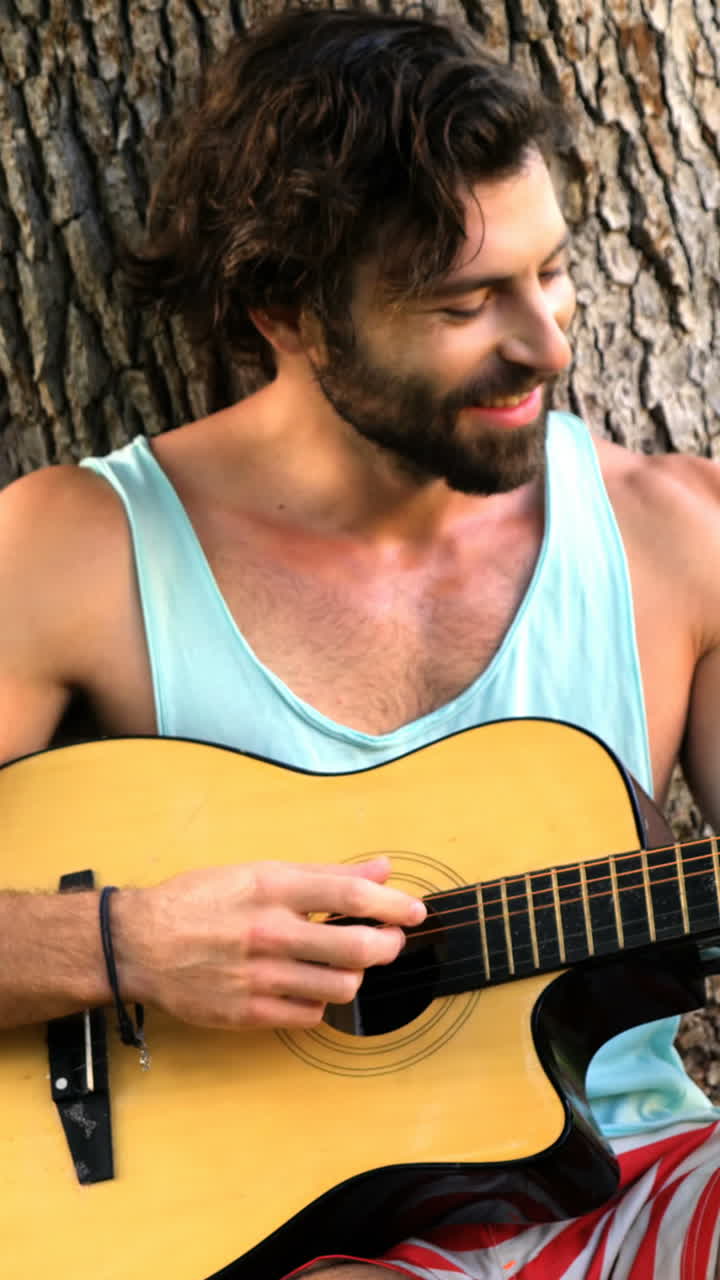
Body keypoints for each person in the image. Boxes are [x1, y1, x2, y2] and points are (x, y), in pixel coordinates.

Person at [1, 7, 720, 1277]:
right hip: (249, 1241)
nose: (550, 343)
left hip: (637, 1195)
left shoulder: (678, 538)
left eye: (552, 271)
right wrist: (129, 941)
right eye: (465, 301)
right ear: (286, 310)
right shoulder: (72, 553)